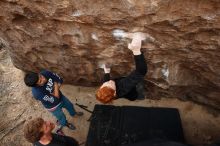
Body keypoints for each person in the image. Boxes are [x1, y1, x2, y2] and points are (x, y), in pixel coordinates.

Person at [96, 35, 147, 103]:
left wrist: (107, 72)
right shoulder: (123, 87)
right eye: (110, 85)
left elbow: (106, 82)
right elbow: (141, 71)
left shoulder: (108, 90)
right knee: (138, 90)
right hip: (132, 92)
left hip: (123, 90)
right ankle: (140, 97)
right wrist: (136, 51)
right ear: (114, 93)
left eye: (104, 84)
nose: (109, 81)